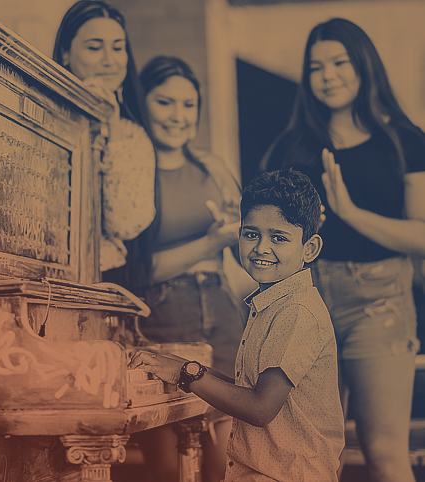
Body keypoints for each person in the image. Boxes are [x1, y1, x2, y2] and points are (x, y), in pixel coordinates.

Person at [260, 18, 425, 482]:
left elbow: (422, 235)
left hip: (380, 302)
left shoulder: (404, 141)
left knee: (383, 452)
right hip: (307, 301)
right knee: (306, 453)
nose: (328, 75)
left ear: (364, 64)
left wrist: (350, 214)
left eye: (339, 62)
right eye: (316, 67)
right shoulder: (293, 146)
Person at [130, 169, 345, 482]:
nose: (261, 248)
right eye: (251, 234)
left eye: (280, 238)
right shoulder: (272, 302)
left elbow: (259, 408)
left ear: (309, 249)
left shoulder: (297, 311)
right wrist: (183, 366)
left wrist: (185, 373)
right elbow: (250, 391)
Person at [134, 56, 247, 482]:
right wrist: (211, 240)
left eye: (188, 105)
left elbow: (243, 248)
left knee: (226, 462)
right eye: (166, 103)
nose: (178, 116)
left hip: (221, 314)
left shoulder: (211, 167)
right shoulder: (133, 173)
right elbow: (136, 271)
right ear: (142, 104)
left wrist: (242, 230)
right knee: (168, 468)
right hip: (160, 319)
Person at [53, 0, 156, 289]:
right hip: (43, 273)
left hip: (108, 277)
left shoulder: (131, 135)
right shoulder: (39, 116)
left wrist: (111, 128)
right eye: (94, 47)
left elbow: (126, 223)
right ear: (64, 53)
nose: (109, 59)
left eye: (118, 47)